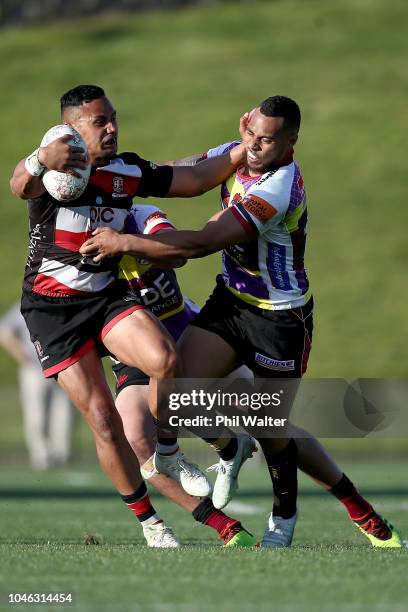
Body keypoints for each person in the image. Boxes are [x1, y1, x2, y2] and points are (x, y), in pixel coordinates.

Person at [80, 95, 403, 548]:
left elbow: (199, 244)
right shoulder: (234, 151)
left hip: (279, 316)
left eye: (266, 140)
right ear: (243, 123)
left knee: (273, 428)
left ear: (291, 141)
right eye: (250, 133)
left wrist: (123, 241)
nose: (253, 146)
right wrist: (113, 177)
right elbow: (181, 171)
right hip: (230, 302)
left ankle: (312, 518)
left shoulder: (278, 188)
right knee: (170, 394)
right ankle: (225, 449)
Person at [9, 84, 254, 547]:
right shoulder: (54, 170)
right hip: (51, 311)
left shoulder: (127, 170)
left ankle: (167, 451)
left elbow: (196, 180)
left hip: (105, 297)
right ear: (72, 128)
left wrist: (247, 148)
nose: (112, 128)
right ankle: (150, 522)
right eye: (99, 121)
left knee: (164, 360)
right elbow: (19, 184)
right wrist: (40, 158)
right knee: (103, 419)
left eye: (113, 118)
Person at [109, 201, 256, 547]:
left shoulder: (141, 214)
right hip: (130, 348)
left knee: (263, 413)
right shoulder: (73, 235)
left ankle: (296, 507)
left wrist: (123, 242)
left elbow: (175, 251)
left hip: (184, 331)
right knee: (135, 432)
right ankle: (219, 522)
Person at [0, 302, 74, 469]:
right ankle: (42, 455)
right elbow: (4, 330)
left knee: (65, 411)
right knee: (36, 412)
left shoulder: (59, 303)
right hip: (34, 368)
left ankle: (62, 453)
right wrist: (20, 353)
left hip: (62, 365)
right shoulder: (23, 306)